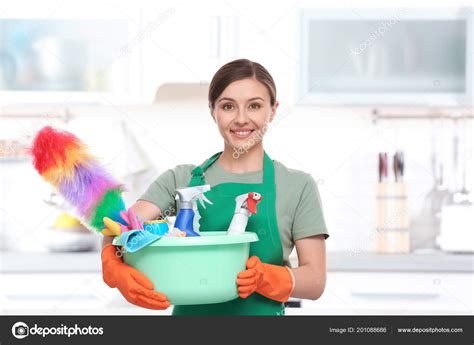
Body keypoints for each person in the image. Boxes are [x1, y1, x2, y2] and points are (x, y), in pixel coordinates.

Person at [101, 58, 329, 316]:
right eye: (228, 106)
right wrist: (112, 264)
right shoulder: (180, 181)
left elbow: (316, 281)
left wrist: (268, 278)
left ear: (273, 110)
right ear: (212, 110)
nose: (242, 119)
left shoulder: (297, 186)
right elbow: (120, 229)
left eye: (254, 106)